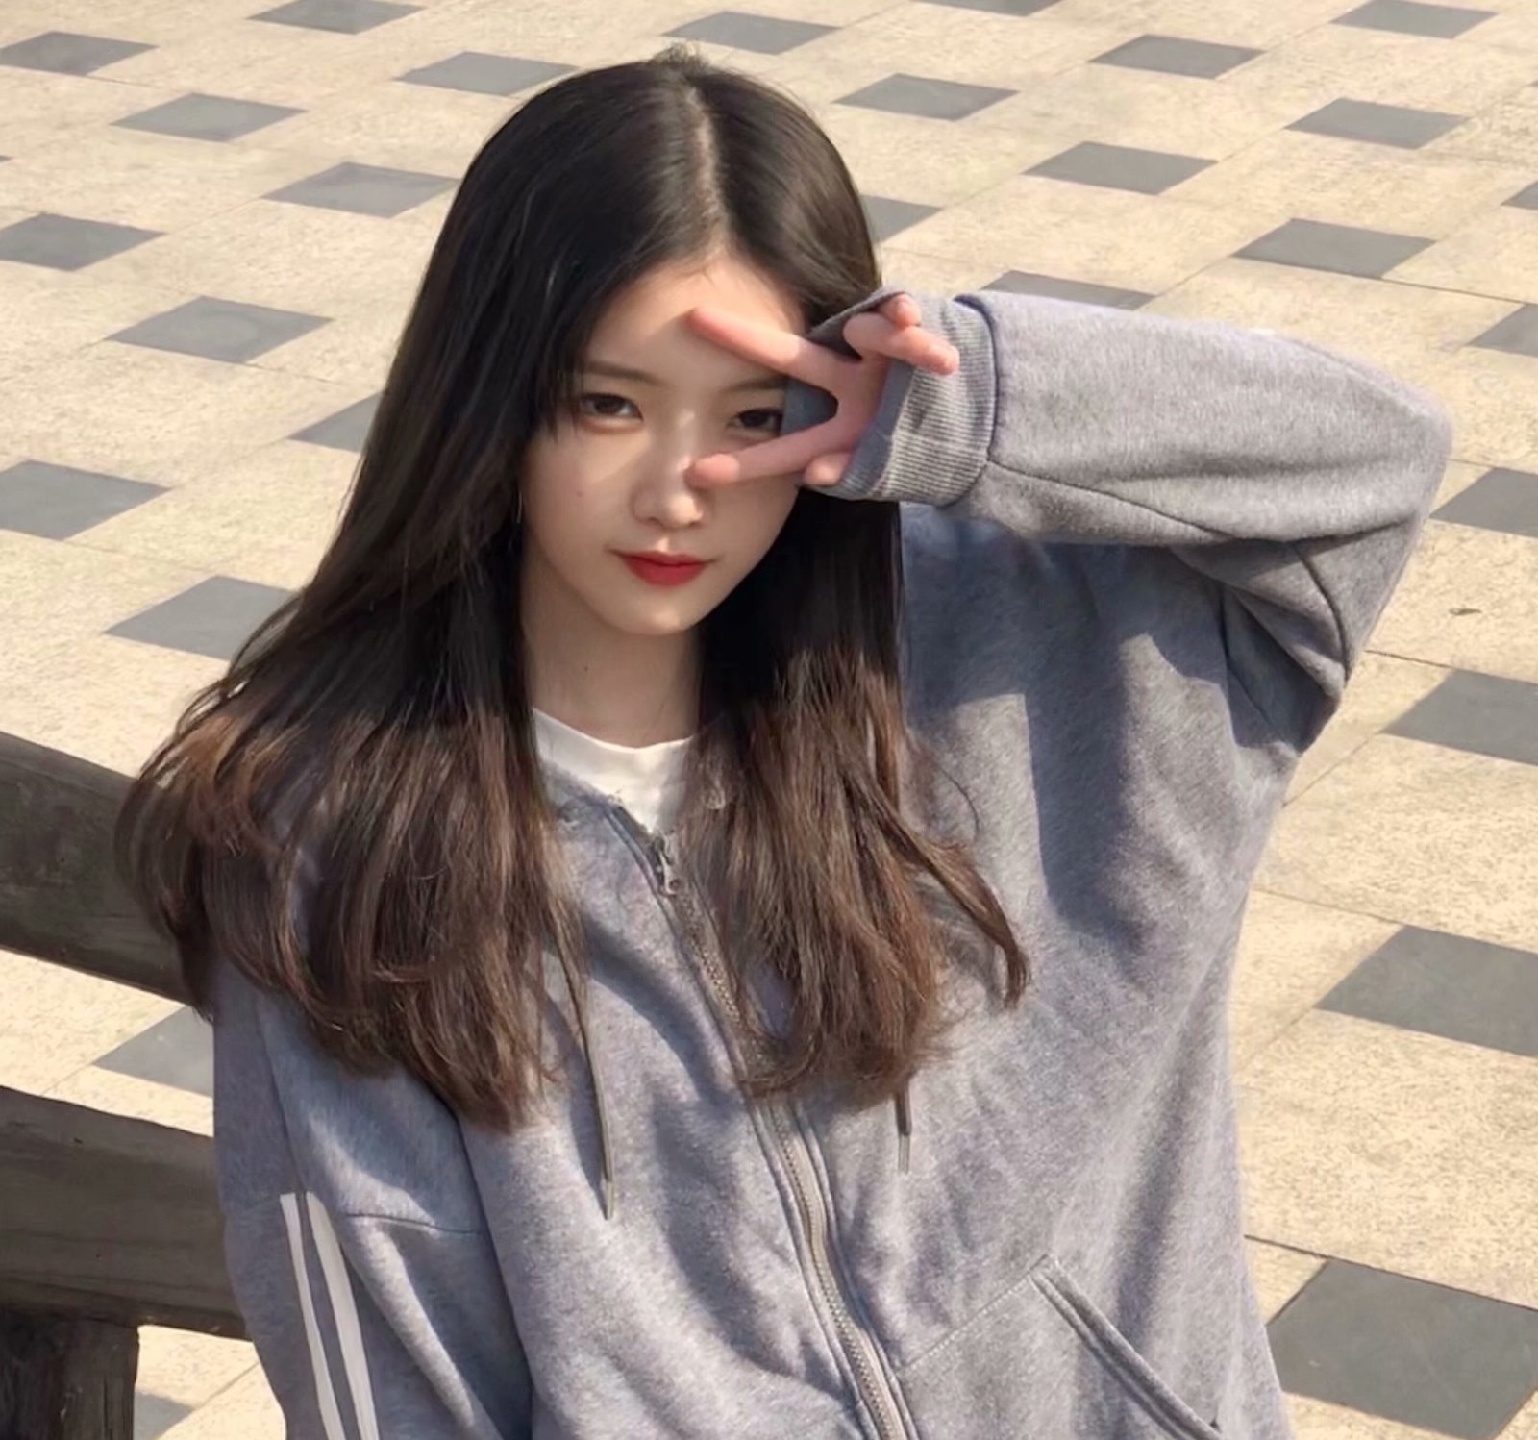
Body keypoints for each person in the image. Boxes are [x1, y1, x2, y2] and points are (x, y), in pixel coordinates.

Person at [117, 45, 1450, 1440]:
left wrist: (965, 405)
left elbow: (1373, 462)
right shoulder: (345, 842)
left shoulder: (1045, 661)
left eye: (755, 417)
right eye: (609, 403)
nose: (680, 489)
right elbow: (397, 1381)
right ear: (491, 402)